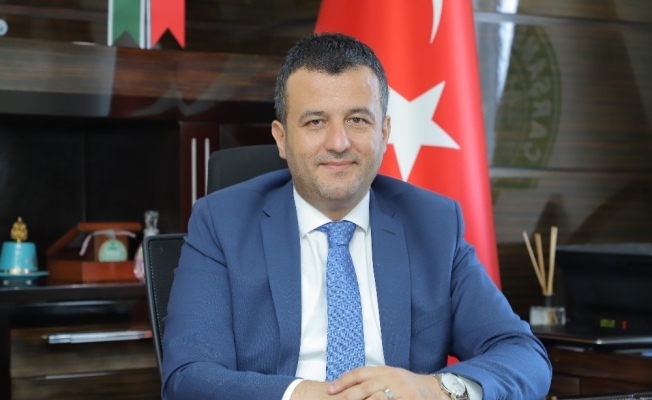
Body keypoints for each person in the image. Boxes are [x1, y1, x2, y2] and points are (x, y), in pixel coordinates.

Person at [162, 33, 552, 400]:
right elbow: (188, 376)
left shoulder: (433, 224)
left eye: (358, 120)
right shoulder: (222, 223)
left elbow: (523, 355)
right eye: (316, 122)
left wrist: (435, 389)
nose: (339, 143)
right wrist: (305, 395)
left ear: (384, 131)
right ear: (281, 138)